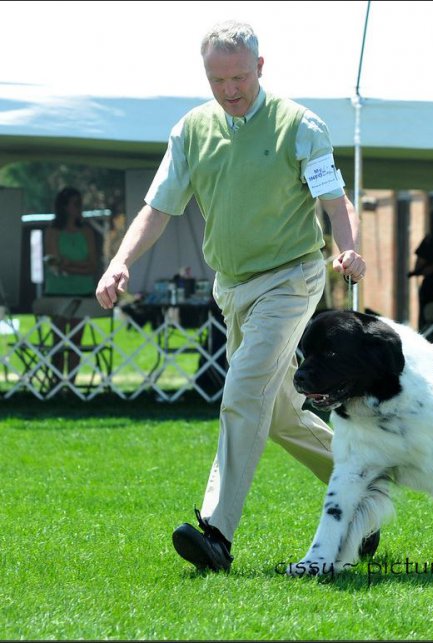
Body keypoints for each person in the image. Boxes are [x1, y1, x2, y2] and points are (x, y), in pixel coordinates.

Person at [95, 21, 369, 573]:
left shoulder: (299, 125)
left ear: (261, 68)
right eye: (217, 79)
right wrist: (120, 260)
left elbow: (336, 202)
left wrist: (349, 249)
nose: (230, 89)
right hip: (233, 288)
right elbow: (158, 207)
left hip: (291, 279)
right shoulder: (191, 129)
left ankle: (216, 533)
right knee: (279, 417)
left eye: (239, 77)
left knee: (243, 391)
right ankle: (362, 497)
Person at [43, 187, 99, 384]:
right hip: (57, 292)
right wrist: (74, 266)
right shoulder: (53, 231)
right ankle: (56, 382)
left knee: (76, 341)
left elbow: (92, 265)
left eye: (80, 203)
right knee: (58, 340)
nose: (79, 208)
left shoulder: (87, 232)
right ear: (65, 206)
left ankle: (71, 383)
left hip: (82, 291)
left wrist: (69, 265)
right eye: (76, 204)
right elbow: (54, 263)